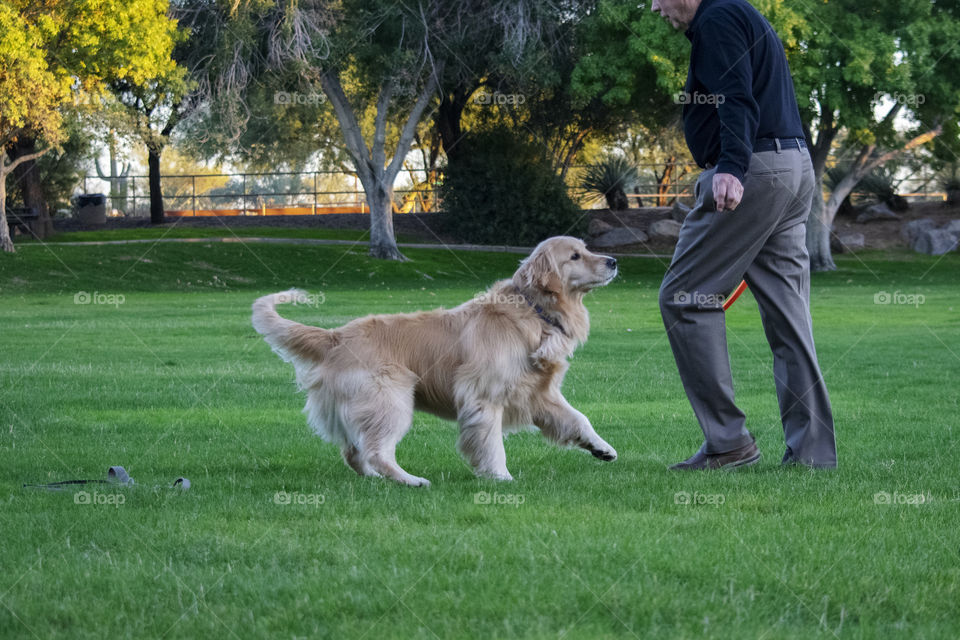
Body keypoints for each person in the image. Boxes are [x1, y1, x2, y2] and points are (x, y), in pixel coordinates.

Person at [651, 0, 837, 469]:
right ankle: (812, 454)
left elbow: (734, 95)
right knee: (789, 316)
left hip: (754, 171)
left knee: (685, 297)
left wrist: (731, 168)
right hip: (793, 168)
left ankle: (728, 443)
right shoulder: (741, 13)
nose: (653, 7)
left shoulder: (715, 20)